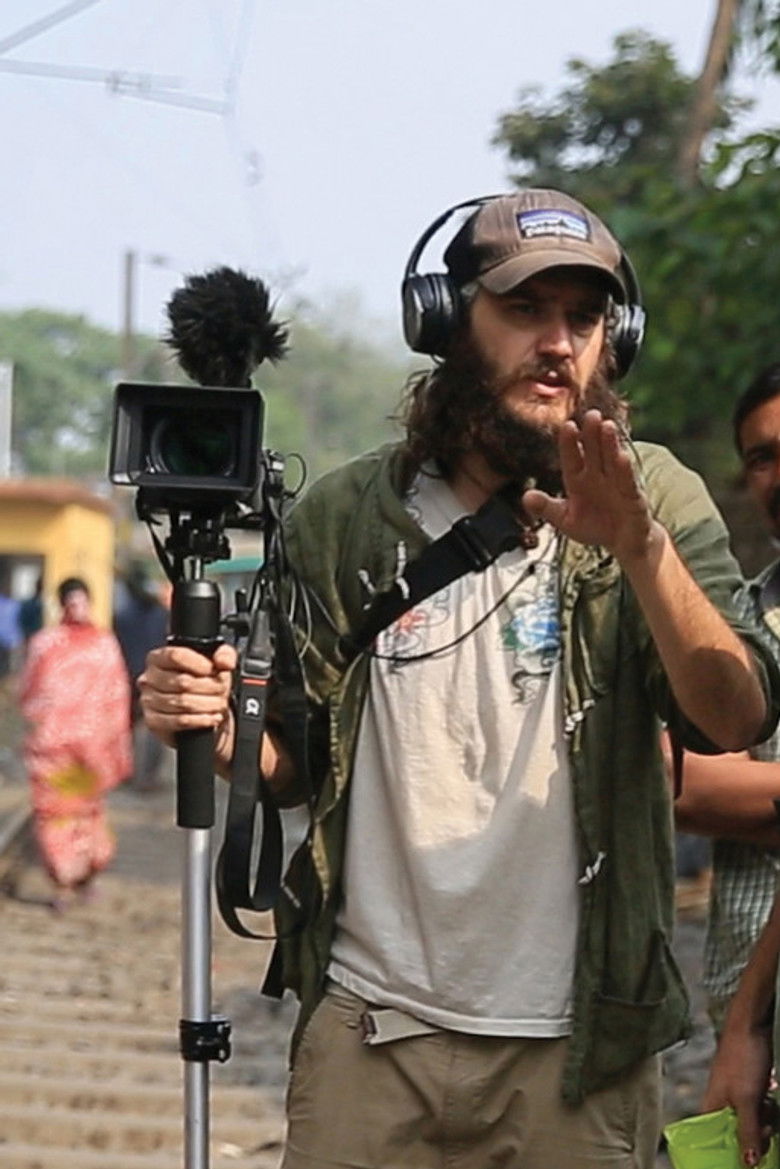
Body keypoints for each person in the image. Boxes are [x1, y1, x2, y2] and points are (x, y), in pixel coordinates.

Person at [139, 189, 780, 1169]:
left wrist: (642, 549)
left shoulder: (655, 496)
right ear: (444, 321)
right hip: (369, 1031)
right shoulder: (347, 516)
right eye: (524, 309)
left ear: (615, 340)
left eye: (584, 318)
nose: (558, 343)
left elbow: (734, 715)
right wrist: (227, 735)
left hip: (579, 1053)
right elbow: (297, 764)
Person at [671, 364, 780, 1035]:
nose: (779, 477)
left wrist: (756, 796)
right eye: (762, 458)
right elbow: (683, 783)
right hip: (753, 1027)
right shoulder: (732, 622)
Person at [19, 576, 132, 911]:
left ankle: (83, 877)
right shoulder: (49, 644)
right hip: (58, 750)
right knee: (57, 813)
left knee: (85, 812)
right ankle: (63, 881)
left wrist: (114, 743)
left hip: (87, 748)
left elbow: (117, 694)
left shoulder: (100, 644)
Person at [113, 562, 169, 790]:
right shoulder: (162, 614)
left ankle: (130, 772)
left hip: (128, 676)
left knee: (128, 728)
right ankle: (147, 776)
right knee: (155, 728)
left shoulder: (121, 617)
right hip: (155, 675)